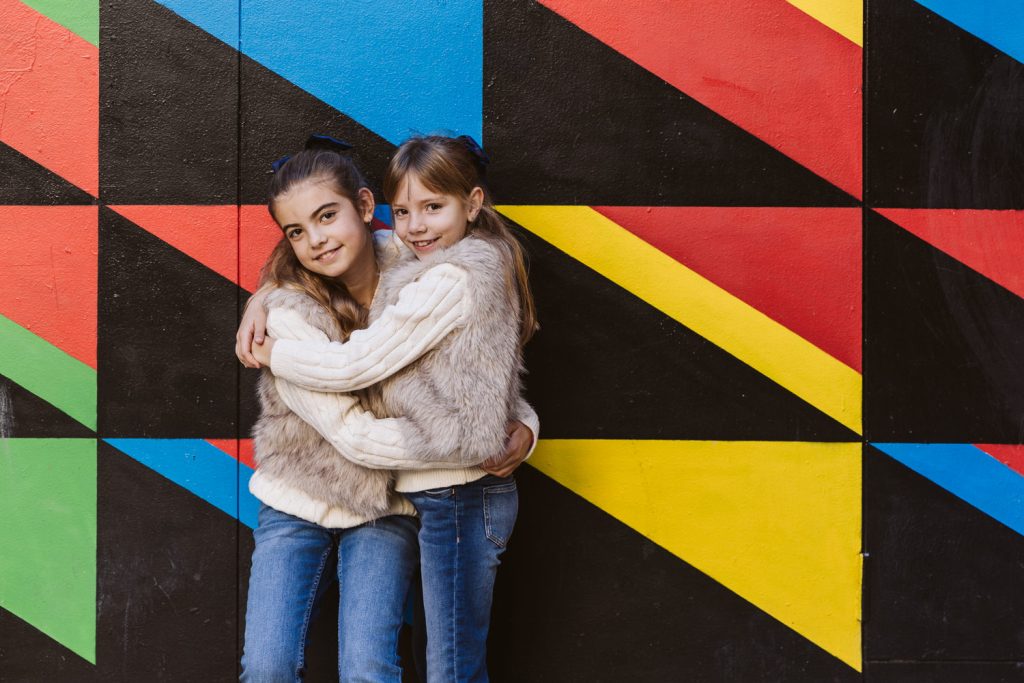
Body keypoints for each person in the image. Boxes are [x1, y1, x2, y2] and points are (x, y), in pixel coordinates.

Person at [237, 134, 537, 682]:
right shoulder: (285, 316)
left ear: (366, 207)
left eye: (327, 216)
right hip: (299, 498)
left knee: (369, 669)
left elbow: (477, 368)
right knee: (268, 667)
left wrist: (523, 427)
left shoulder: (419, 257)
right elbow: (352, 436)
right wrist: (267, 312)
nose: (317, 240)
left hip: (387, 505)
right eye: (297, 231)